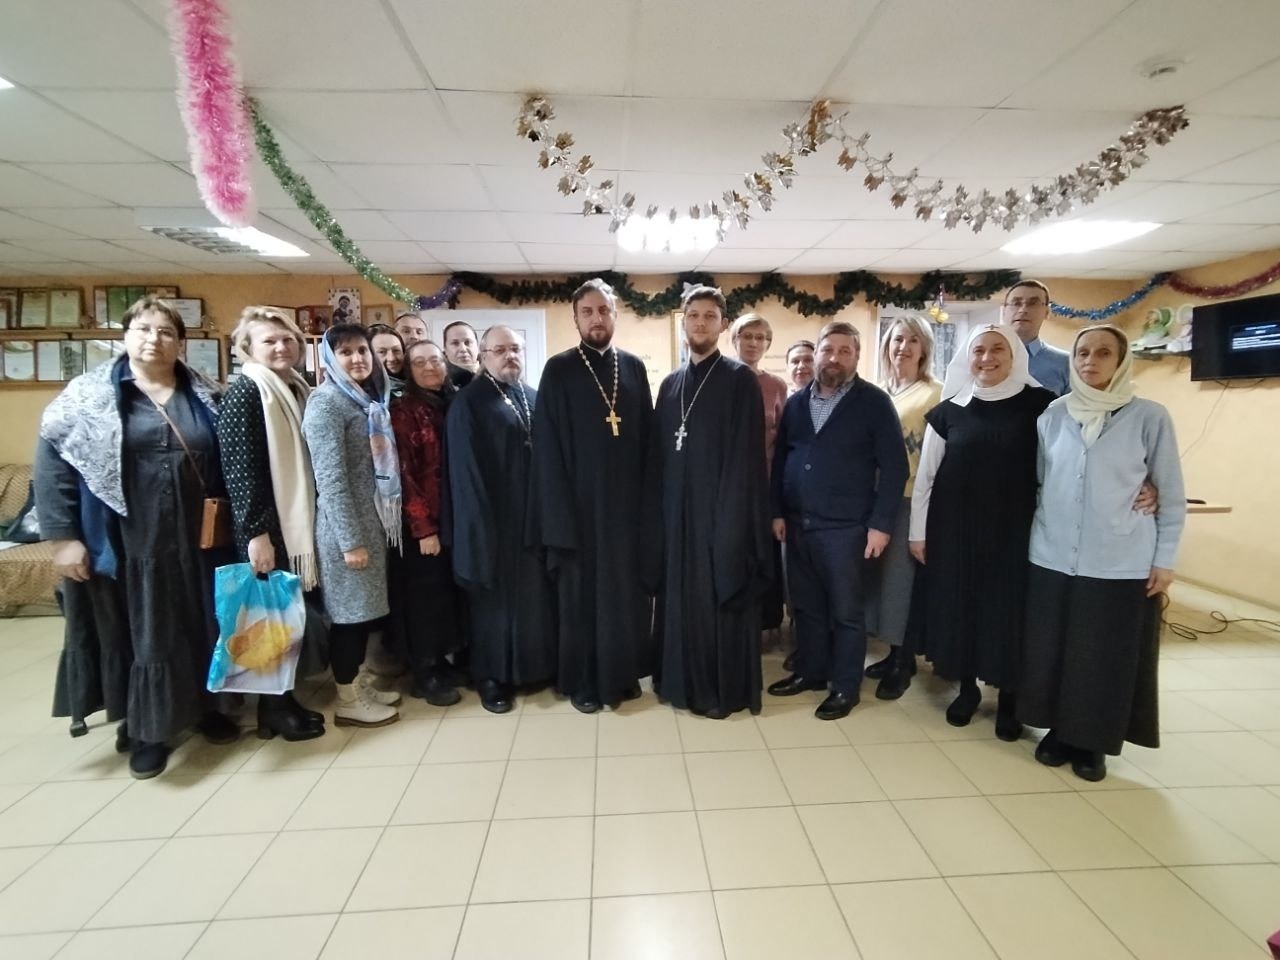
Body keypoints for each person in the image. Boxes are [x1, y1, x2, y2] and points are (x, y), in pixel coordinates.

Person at [36, 296, 240, 779]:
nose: (154, 339)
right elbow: (53, 467)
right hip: (129, 541)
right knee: (145, 630)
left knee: (204, 623)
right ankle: (149, 730)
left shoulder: (207, 394)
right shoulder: (87, 397)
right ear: (125, 336)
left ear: (181, 342)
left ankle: (208, 707)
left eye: (166, 331)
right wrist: (64, 538)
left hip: (200, 540)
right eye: (144, 329)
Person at [1019, 324, 1185, 782]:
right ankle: (1058, 730)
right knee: (1055, 650)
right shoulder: (1054, 415)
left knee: (1103, 656)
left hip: (1118, 560)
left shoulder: (1149, 417)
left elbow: (1171, 493)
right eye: (1083, 353)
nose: (1091, 361)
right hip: (1052, 555)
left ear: (1121, 361)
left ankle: (1093, 743)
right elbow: (1042, 481)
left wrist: (1165, 559)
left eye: (1103, 353)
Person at [909, 324, 1056, 740]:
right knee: (964, 608)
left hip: (1014, 532)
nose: (987, 358)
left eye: (997, 350)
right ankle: (968, 690)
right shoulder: (949, 412)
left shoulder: (1041, 406)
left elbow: (1056, 467)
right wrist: (918, 534)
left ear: (1014, 356)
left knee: (1008, 614)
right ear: (966, 358)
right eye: (978, 351)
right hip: (955, 532)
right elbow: (925, 479)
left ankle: (1009, 699)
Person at [767, 322, 907, 720]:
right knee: (807, 607)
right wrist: (776, 510)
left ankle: (845, 686)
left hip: (847, 529)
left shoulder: (874, 402)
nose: (835, 358)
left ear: (857, 357)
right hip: (798, 524)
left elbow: (895, 467)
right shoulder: (797, 403)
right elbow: (782, 460)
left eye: (845, 351)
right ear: (817, 354)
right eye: (828, 350)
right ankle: (812, 672)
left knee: (846, 612)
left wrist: (881, 525)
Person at [530, 279, 654, 713]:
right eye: (588, 311)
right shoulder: (559, 369)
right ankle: (583, 680)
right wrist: (558, 519)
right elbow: (547, 450)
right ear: (576, 318)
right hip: (578, 513)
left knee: (625, 596)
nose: (596, 318)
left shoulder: (633, 368)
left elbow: (648, 442)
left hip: (626, 513)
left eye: (604, 310)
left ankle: (623, 674)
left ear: (615, 314)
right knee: (581, 600)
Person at [646, 286, 771, 718]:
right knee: (678, 601)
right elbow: (660, 454)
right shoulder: (670, 384)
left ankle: (719, 691)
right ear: (683, 322)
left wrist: (730, 525)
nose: (700, 323)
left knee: (715, 599)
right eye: (693, 315)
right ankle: (677, 683)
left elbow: (746, 461)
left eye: (709, 316)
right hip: (675, 516)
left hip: (721, 517)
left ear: (723, 325)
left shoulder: (739, 380)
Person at [217, 306, 326, 742]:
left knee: (286, 617)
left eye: (287, 340)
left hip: (289, 522)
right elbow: (241, 472)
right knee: (267, 622)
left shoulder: (295, 387)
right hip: (266, 529)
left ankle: (281, 704)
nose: (281, 347)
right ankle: (273, 710)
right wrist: (256, 535)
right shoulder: (247, 393)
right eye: (269, 341)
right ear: (247, 348)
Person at [446, 325, 555, 713]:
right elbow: (466, 474)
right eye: (500, 350)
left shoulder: (532, 396)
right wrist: (479, 530)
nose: (510, 356)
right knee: (494, 606)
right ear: (483, 356)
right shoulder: (468, 404)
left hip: (532, 521)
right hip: (492, 522)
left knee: (533, 601)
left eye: (516, 349)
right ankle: (492, 677)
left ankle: (533, 669)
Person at [302, 324, 401, 728]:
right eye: (346, 352)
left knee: (362, 616)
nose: (358, 358)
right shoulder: (326, 403)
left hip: (370, 525)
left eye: (362, 350)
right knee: (349, 619)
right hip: (346, 531)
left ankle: (357, 684)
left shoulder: (366, 400)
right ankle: (347, 700)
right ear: (330, 359)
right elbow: (330, 480)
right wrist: (350, 542)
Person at [863, 316, 942, 699]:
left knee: (900, 581)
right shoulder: (877, 392)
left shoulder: (935, 394)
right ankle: (892, 651)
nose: (903, 347)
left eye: (913, 340)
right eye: (897, 339)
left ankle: (902, 658)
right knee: (878, 581)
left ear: (924, 348)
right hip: (874, 498)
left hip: (911, 498)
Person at [389, 340, 465, 707]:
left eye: (435, 359)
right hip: (423, 525)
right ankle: (425, 672)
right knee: (423, 600)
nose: (430, 366)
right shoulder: (404, 411)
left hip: (454, 518)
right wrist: (424, 528)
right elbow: (405, 474)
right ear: (409, 370)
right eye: (419, 362)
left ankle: (441, 662)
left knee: (444, 597)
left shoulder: (453, 402)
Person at [731, 313, 790, 638]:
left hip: (765, 485)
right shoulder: (723, 378)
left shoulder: (776, 386)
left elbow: (781, 440)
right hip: (731, 487)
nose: (752, 343)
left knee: (764, 554)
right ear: (734, 340)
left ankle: (767, 623)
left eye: (759, 337)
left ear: (767, 343)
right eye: (746, 336)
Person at [1002, 280, 1070, 396]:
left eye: (1033, 303)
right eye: (1016, 303)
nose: (1023, 310)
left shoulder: (1066, 363)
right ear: (1004, 311)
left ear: (1047, 312)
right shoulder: (981, 360)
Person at [368, 324, 407, 397]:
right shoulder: (365, 392)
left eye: (396, 350)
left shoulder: (419, 384)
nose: (391, 358)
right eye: (382, 352)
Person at [443, 319, 480, 388]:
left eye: (467, 342)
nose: (463, 349)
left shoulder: (495, 375)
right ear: (445, 349)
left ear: (477, 346)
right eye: (455, 343)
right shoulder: (439, 381)